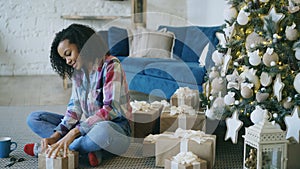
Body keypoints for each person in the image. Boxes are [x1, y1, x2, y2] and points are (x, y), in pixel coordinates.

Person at [23, 23, 132, 167]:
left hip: (116, 129)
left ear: (83, 45)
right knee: (34, 118)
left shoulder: (111, 65)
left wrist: (72, 134)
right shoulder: (78, 72)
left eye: (68, 54)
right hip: (87, 128)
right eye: (64, 58)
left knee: (103, 131)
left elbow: (110, 109)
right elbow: (74, 110)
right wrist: (56, 135)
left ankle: (51, 150)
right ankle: (87, 150)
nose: (67, 61)